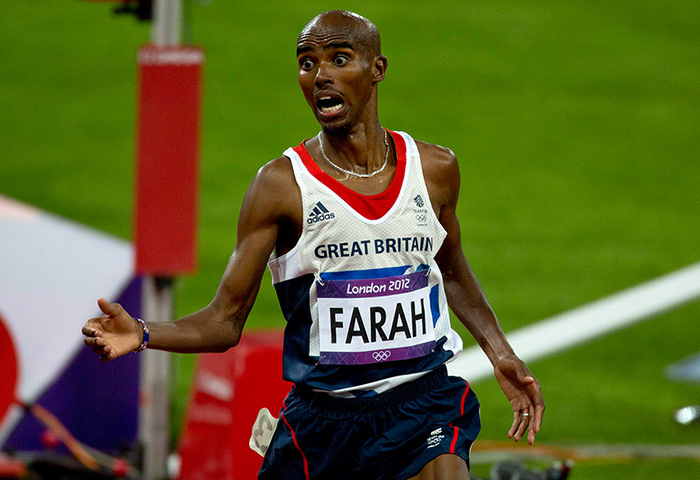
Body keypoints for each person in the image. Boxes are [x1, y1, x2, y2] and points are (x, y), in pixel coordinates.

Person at [82, 10, 544, 480]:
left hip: (421, 402)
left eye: (339, 59)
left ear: (376, 69)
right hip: (325, 424)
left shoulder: (435, 169)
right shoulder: (281, 186)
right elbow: (224, 321)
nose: (321, 76)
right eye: (307, 63)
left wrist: (500, 352)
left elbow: (451, 271)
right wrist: (141, 332)